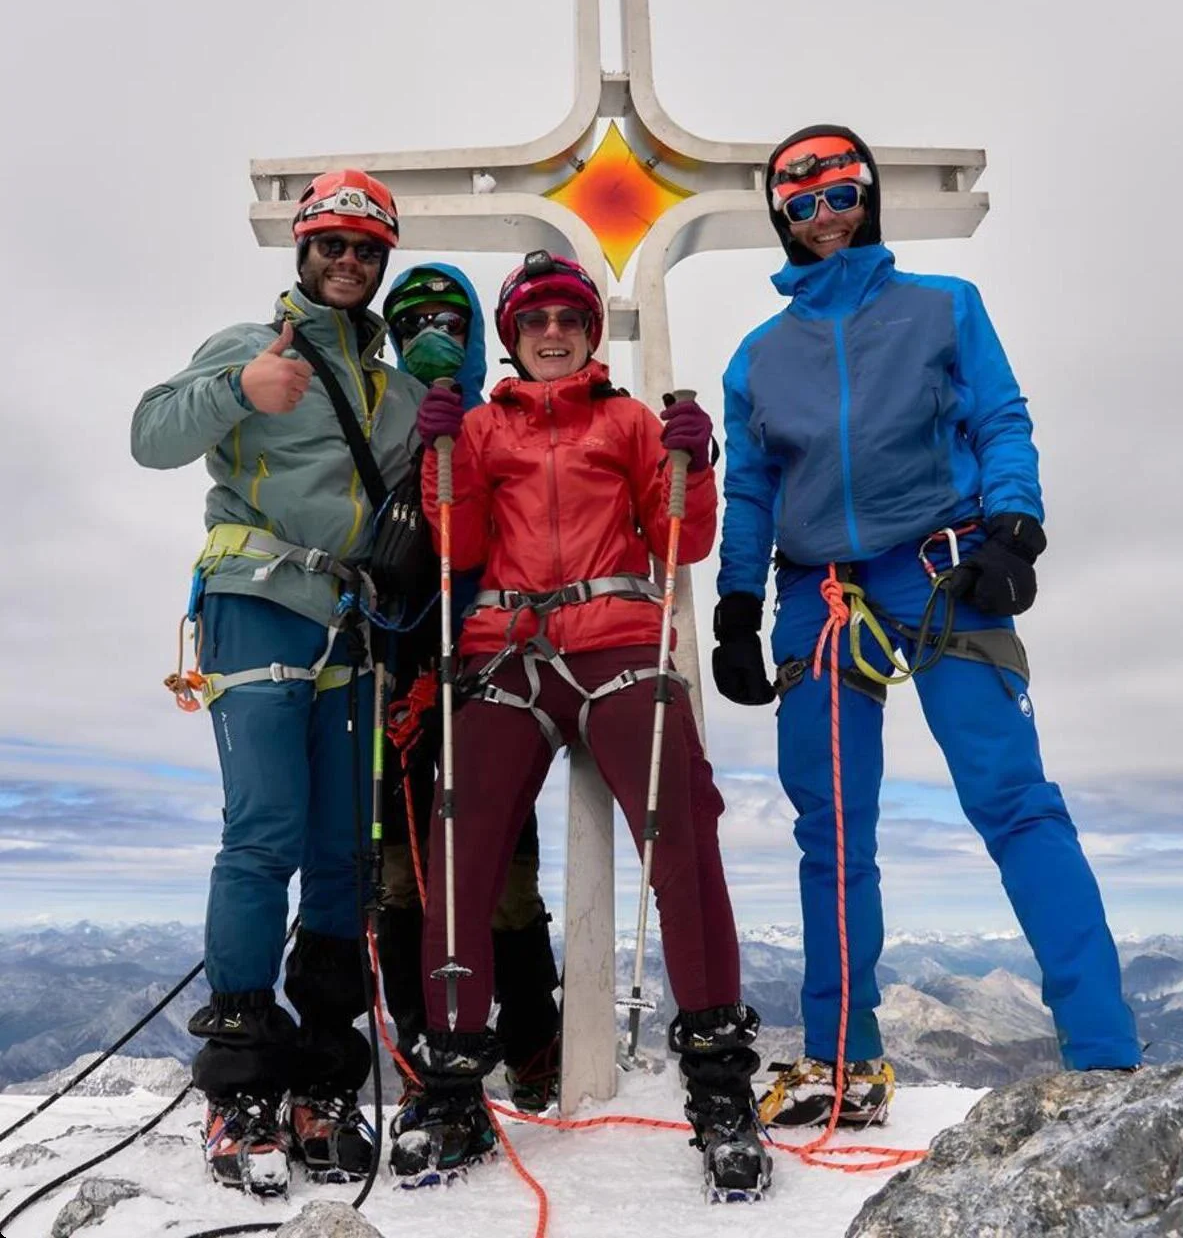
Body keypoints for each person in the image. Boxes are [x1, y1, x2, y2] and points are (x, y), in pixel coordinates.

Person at [713, 125, 1141, 1129]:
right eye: (803, 203)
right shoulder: (759, 357)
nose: (827, 216)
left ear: (869, 194)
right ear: (782, 216)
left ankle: (1106, 1055)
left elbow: (1001, 418)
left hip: (947, 570)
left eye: (842, 193)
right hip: (818, 591)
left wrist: (1017, 525)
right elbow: (749, 487)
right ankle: (842, 1057)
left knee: (1015, 799)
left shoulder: (945, 308)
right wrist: (735, 604)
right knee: (832, 829)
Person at [391, 250, 772, 1200]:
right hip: (505, 643)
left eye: (568, 317)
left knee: (681, 830)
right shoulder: (479, 428)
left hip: (614, 638)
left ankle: (721, 1087)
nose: (552, 331)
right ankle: (451, 1089)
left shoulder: (630, 421)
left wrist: (695, 460)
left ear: (589, 334)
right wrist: (441, 459)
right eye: (534, 321)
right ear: (513, 338)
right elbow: (460, 544)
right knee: (459, 843)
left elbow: (681, 536)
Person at [131, 169, 425, 1194]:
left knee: (343, 850)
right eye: (332, 244)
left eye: (366, 249)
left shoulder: (396, 389)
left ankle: (324, 1076)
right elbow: (150, 434)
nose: (348, 261)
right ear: (302, 249)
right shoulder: (250, 348)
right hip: (255, 597)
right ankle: (243, 1081)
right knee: (262, 835)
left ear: (382, 260)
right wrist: (235, 392)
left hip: (351, 620)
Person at [373, 262, 562, 1141]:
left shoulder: (505, 421)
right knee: (403, 869)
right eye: (411, 320)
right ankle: (424, 1050)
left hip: (491, 661)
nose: (432, 333)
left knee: (504, 873)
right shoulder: (374, 422)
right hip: (403, 665)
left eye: (450, 316)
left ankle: (533, 1044)